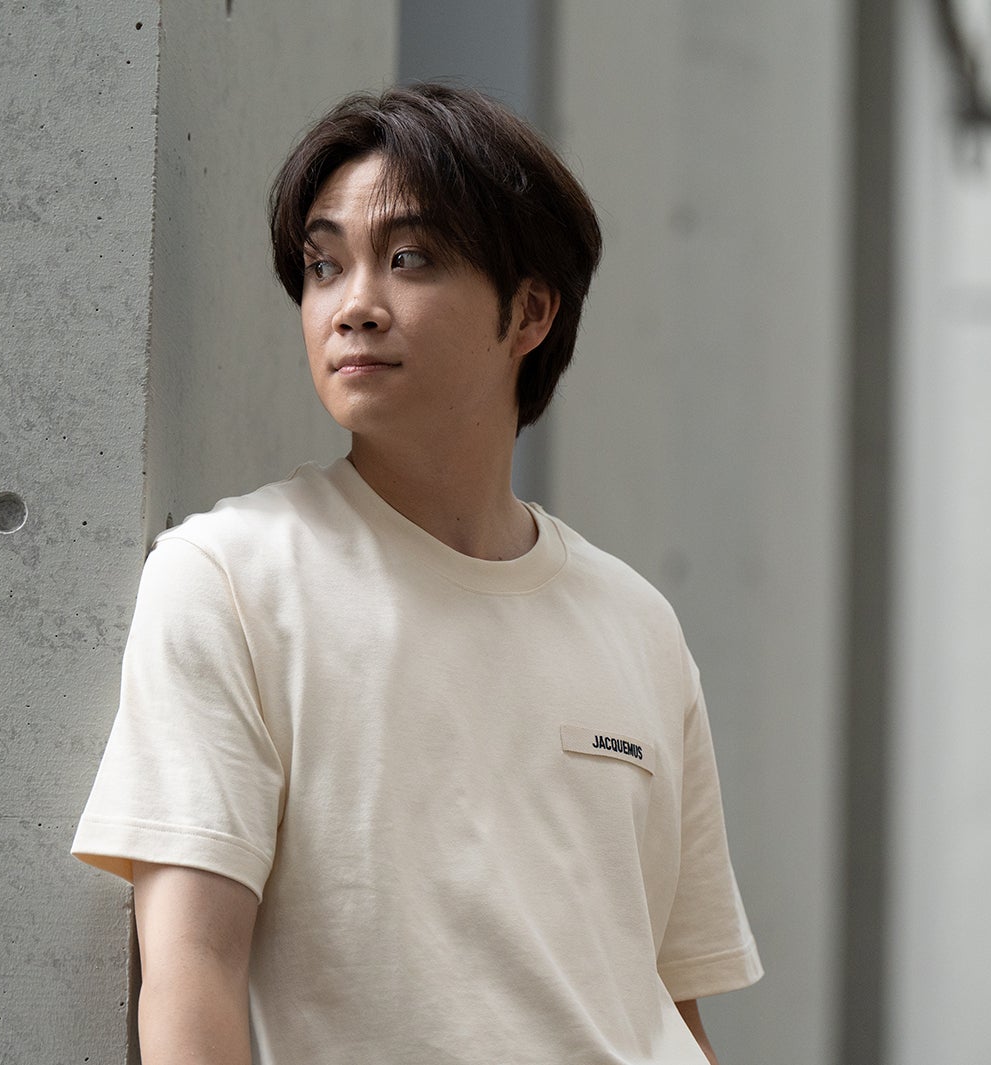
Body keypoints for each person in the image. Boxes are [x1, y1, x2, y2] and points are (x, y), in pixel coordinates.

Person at [71, 83, 760, 1065]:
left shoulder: (636, 622)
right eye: (323, 265)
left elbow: (668, 1004)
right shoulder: (230, 579)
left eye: (409, 259)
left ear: (529, 311)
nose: (353, 306)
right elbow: (191, 977)